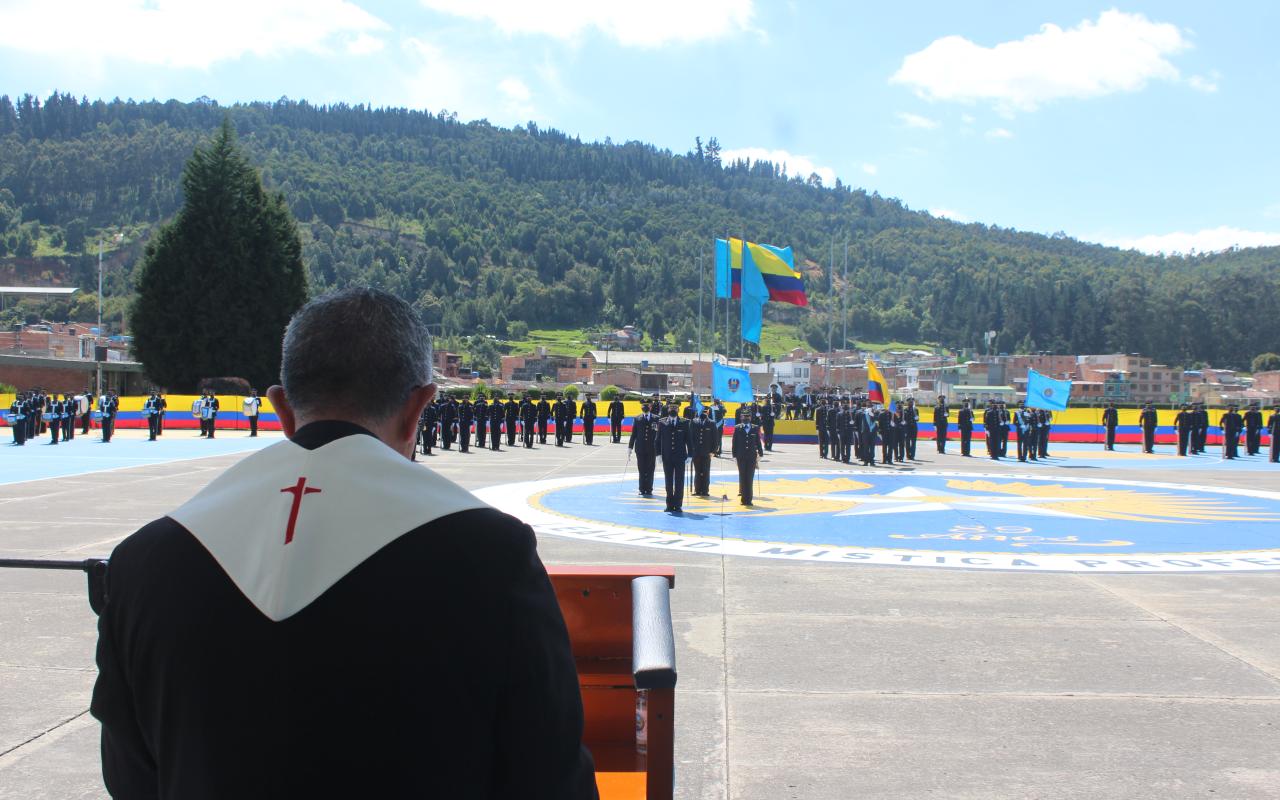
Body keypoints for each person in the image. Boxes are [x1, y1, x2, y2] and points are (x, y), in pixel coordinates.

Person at [90, 288, 596, 799]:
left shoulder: (145, 560)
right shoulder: (492, 554)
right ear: (419, 406)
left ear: (281, 408)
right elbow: (551, 775)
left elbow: (131, 778)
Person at [657, 403, 691, 513]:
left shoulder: (684, 422)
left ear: (678, 409)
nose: (673, 409)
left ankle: (678, 504)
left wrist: (690, 455)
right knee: (668, 481)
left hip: (680, 457)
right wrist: (658, 454)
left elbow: (689, 440)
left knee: (679, 481)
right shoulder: (662, 422)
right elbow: (657, 440)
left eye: (675, 408)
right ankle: (669, 505)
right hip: (667, 457)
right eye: (671, 407)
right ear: (668, 409)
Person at [731, 414, 764, 505]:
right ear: (741, 418)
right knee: (743, 476)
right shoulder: (737, 428)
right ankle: (743, 498)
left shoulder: (755, 428)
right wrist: (734, 455)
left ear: (750, 418)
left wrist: (760, 454)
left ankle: (748, 499)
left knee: (749, 478)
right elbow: (735, 443)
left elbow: (758, 442)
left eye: (748, 417)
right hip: (740, 456)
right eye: (744, 417)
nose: (746, 419)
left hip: (751, 457)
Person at [629, 402, 658, 497]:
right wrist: (630, 447)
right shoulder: (637, 419)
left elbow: (659, 435)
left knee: (650, 469)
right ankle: (642, 489)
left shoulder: (656, 418)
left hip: (652, 449)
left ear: (650, 407)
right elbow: (634, 434)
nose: (645, 407)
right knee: (641, 469)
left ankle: (649, 489)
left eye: (647, 405)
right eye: (643, 406)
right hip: (640, 448)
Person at [690, 406, 715, 496]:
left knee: (705, 471)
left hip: (707, 451)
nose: (704, 413)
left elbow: (715, 438)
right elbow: (690, 437)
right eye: (702, 411)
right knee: (697, 471)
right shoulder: (694, 422)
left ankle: (705, 490)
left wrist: (713, 451)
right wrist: (690, 450)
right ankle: (697, 490)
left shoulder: (712, 423)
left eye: (705, 411)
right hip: (696, 451)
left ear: (708, 412)